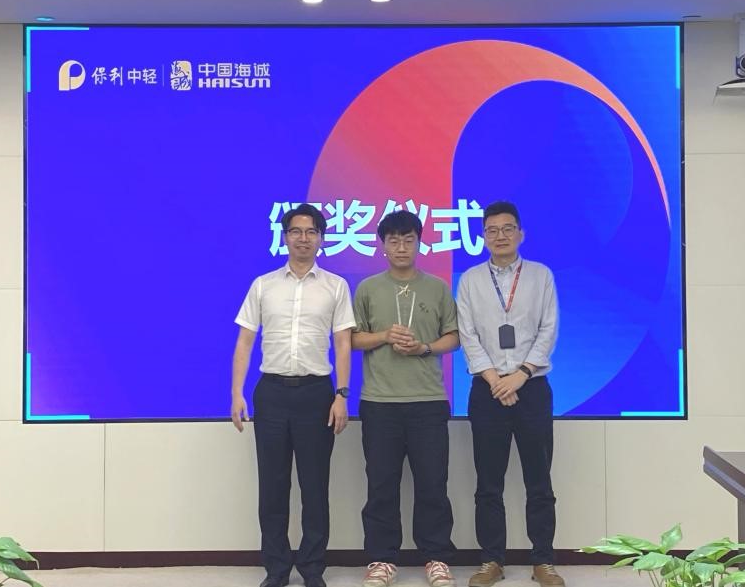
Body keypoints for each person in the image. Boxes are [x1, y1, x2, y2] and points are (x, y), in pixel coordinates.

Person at [231, 203, 354, 587]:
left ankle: (313, 568)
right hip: (271, 393)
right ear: (284, 237)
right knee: (273, 487)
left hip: (317, 394)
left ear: (321, 238)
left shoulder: (335, 286)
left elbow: (343, 344)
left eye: (311, 231)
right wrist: (236, 393)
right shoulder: (263, 285)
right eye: (296, 231)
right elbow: (245, 341)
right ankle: (277, 569)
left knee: (315, 487)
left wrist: (341, 394)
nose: (304, 238)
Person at [456, 201, 564, 587]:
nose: (500, 236)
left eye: (507, 229)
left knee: (539, 481)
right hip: (486, 391)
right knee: (488, 483)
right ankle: (492, 561)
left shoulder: (541, 275)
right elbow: (468, 335)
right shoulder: (470, 280)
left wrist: (520, 375)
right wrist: (495, 380)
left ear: (520, 233)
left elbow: (548, 329)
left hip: (531, 389)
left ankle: (543, 561)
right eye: (492, 230)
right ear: (483, 237)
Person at [351, 210, 460, 587]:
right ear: (382, 245)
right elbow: (352, 339)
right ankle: (382, 559)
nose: (401, 247)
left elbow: (454, 337)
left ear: (419, 243)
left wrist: (424, 348)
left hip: (428, 401)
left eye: (408, 239)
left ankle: (436, 557)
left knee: (433, 483)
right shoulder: (367, 288)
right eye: (394, 240)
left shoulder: (438, 288)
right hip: (379, 401)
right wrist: (384, 336)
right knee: (381, 484)